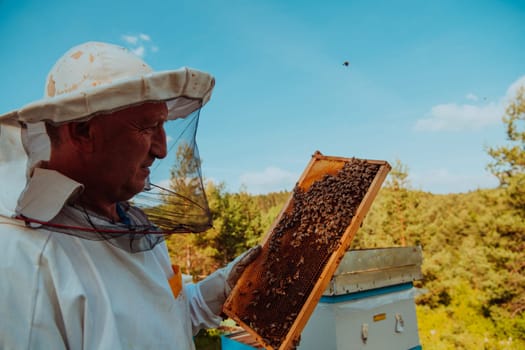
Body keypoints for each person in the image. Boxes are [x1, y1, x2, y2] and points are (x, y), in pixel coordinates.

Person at [0, 41, 260, 349]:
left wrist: (225, 285)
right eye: (149, 128)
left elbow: (164, 322)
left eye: (163, 127)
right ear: (82, 131)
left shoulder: (134, 226)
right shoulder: (23, 260)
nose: (162, 149)